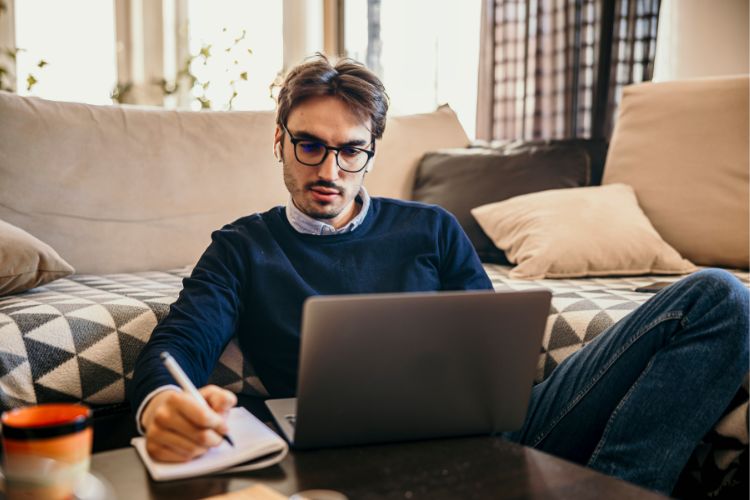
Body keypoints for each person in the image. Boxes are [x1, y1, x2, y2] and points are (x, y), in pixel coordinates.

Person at [129, 55, 749, 495]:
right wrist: (163, 404)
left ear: (370, 151)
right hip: (340, 450)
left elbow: (488, 351)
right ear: (279, 141)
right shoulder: (243, 247)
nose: (331, 169)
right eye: (310, 145)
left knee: (719, 295)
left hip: (494, 430)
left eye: (351, 150)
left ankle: (620, 490)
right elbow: (178, 345)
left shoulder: (431, 228)